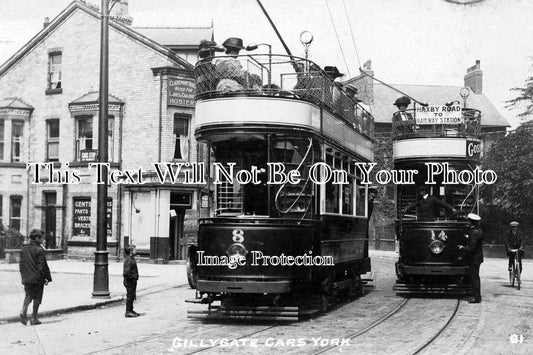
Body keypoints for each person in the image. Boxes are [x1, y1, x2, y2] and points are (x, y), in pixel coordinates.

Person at [19, 229, 52, 325]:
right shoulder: (39, 250)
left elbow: (21, 264)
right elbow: (42, 266)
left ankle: (24, 310)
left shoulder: (24, 249)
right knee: (37, 298)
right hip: (37, 278)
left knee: (28, 295)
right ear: (37, 238)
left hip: (26, 278)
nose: (42, 240)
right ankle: (34, 318)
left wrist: (23, 276)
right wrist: (47, 277)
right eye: (41, 238)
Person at [458, 213, 483, 303]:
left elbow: (472, 248)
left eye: (468, 221)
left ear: (471, 222)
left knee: (474, 278)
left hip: (474, 259)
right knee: (475, 277)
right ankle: (476, 296)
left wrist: (462, 248)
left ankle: (476, 298)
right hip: (477, 258)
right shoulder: (477, 230)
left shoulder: (474, 232)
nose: (467, 222)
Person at [123, 244, 140, 318]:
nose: (136, 251)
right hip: (130, 281)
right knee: (130, 296)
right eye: (134, 249)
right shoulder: (129, 260)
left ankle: (131, 310)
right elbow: (126, 272)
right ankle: (128, 311)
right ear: (130, 251)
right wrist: (132, 278)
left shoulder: (131, 258)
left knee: (132, 296)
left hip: (132, 280)